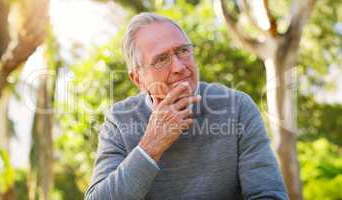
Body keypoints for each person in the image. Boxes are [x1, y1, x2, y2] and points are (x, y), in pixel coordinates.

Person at [85, 12, 288, 200]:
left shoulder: (238, 107)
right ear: (138, 79)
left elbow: (269, 194)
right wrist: (150, 146)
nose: (180, 68)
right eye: (161, 59)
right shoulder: (120, 120)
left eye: (183, 51)